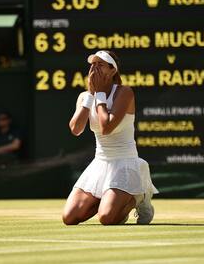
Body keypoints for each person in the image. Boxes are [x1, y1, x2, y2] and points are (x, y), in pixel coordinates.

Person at [62, 50, 158, 225]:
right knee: (69, 218)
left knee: (106, 218)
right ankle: (109, 200)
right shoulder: (84, 97)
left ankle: (139, 197)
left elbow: (107, 127)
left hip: (125, 162)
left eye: (100, 64)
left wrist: (98, 94)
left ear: (113, 70)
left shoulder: (125, 92)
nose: (94, 68)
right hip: (100, 164)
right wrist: (91, 95)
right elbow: (76, 129)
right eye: (92, 64)